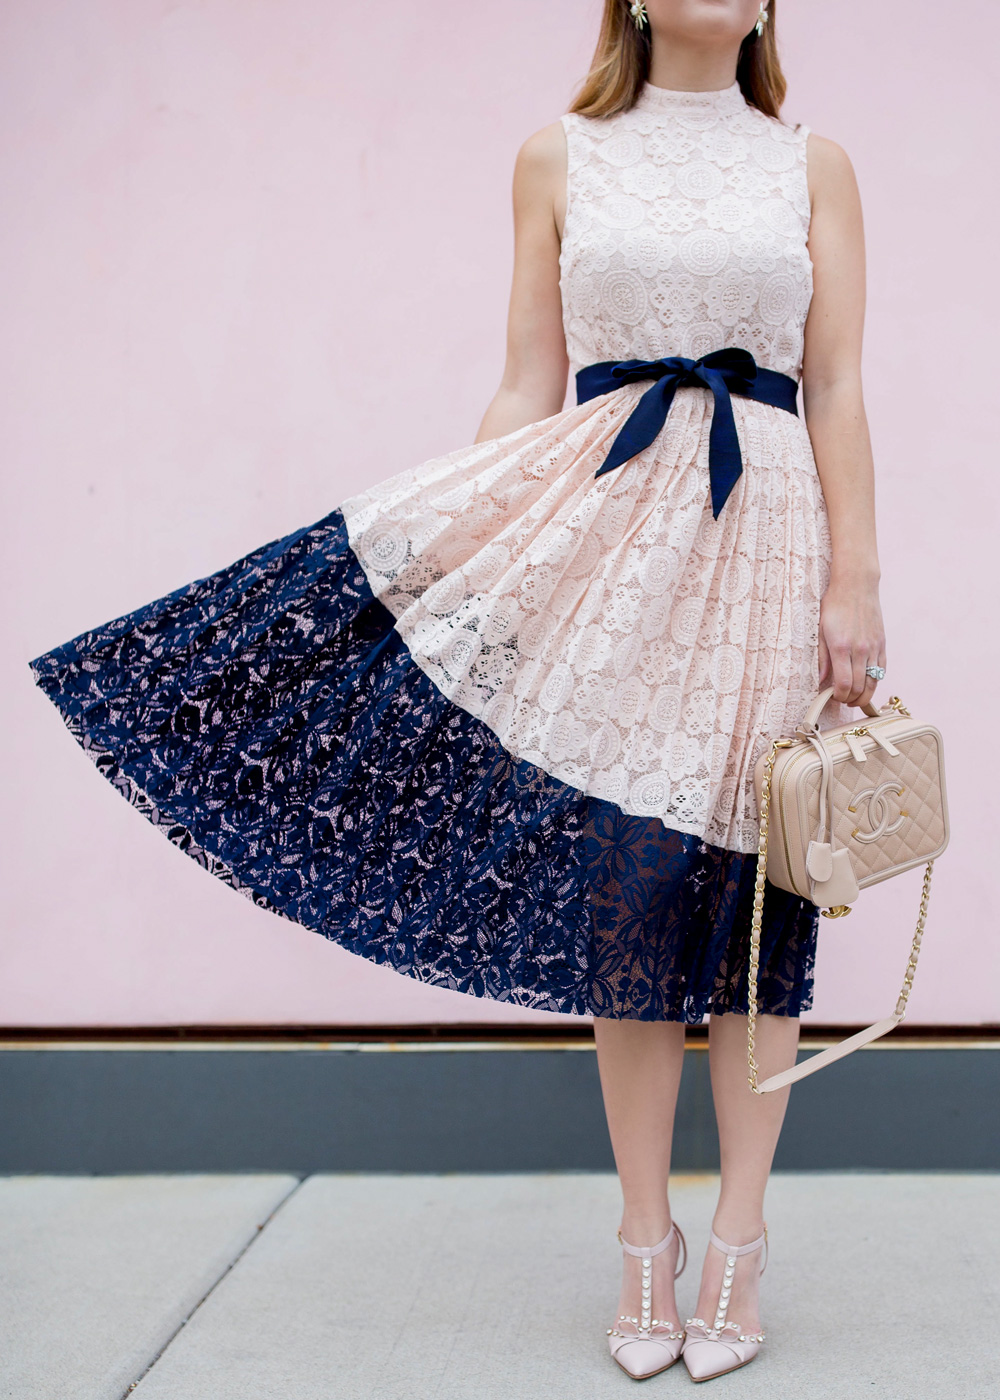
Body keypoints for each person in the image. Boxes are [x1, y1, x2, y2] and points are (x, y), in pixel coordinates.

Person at [30, 0, 884, 1383]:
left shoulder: (813, 164)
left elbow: (836, 384)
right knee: (635, 888)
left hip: (768, 544)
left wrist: (860, 585)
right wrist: (466, 546)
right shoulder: (557, 154)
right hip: (608, 538)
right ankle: (640, 1241)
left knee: (756, 900)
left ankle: (740, 1240)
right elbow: (526, 380)